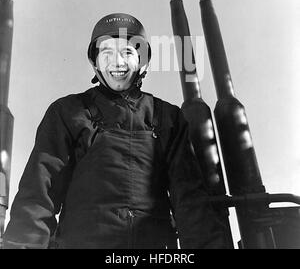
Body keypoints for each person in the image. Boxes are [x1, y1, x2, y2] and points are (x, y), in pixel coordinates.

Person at [3, 13, 228, 249]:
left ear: (143, 62)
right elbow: (39, 194)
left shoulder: (168, 118)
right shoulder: (67, 112)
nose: (117, 62)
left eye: (127, 53)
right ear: (95, 62)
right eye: (107, 53)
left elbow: (190, 202)